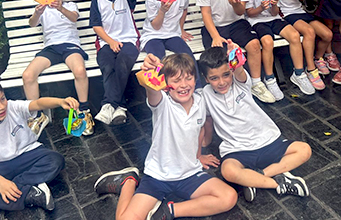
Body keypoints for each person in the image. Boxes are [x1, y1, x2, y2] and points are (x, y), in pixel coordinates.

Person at [94, 53, 237, 220]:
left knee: (229, 197)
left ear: (195, 79)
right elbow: (152, 90)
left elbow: (199, 132)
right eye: (176, 80)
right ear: (166, 84)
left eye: (189, 78)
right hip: (158, 177)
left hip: (189, 175)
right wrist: (149, 71)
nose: (184, 85)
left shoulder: (200, 101)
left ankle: (169, 210)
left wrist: (198, 156)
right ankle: (128, 182)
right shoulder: (163, 103)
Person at [199, 44, 312, 203]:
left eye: (226, 75)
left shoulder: (240, 83)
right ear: (205, 79)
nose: (222, 82)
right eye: (214, 78)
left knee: (304, 150)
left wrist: (236, 58)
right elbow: (206, 122)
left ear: (231, 70)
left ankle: (255, 178)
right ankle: (278, 183)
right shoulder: (205, 95)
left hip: (267, 140)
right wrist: (200, 152)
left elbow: (239, 72)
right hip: (237, 149)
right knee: (228, 171)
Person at [0, 77, 74, 219]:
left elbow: (37, 103)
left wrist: (60, 101)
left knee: (55, 160)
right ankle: (30, 193)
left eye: (2, 99)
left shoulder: (12, 107)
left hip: (28, 155)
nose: (1, 106)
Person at [196, 0, 275, 103]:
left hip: (236, 23)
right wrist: (215, 36)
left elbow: (240, 12)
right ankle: (227, 89)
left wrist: (235, 4)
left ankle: (256, 83)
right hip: (214, 27)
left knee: (254, 45)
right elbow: (206, 13)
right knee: (218, 56)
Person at [22, 0, 93, 136]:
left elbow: (74, 18)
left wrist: (60, 7)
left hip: (70, 46)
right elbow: (32, 24)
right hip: (51, 48)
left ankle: (84, 111)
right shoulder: (42, 9)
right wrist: (37, 13)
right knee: (28, 75)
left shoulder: (70, 5)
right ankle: (37, 115)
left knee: (80, 71)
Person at [244, 0, 318, 96]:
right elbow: (249, 13)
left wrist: (274, 5)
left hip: (274, 19)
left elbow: (274, 13)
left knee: (294, 35)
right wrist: (261, 8)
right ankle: (270, 79)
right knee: (267, 42)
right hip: (257, 21)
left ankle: (298, 73)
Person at [87, 0, 145, 125]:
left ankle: (108, 104)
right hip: (106, 42)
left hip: (129, 40)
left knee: (122, 63)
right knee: (107, 65)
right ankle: (120, 107)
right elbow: (96, 26)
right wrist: (111, 41)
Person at [272, 0, 334, 87]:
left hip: (299, 11)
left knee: (327, 34)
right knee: (309, 32)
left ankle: (318, 58)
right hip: (286, 13)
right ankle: (311, 69)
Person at [139, 0, 201, 83]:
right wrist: (162, 10)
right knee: (158, 60)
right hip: (153, 36)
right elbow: (156, 26)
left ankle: (197, 86)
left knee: (187, 56)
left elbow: (184, 9)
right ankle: (162, 89)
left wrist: (181, 29)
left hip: (172, 35)